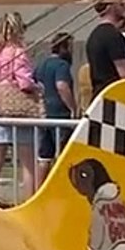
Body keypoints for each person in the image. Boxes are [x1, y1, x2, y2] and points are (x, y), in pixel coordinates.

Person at [0, 12, 40, 204]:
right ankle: (30, 203)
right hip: (19, 111)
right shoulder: (18, 52)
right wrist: (37, 87)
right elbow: (24, 82)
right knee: (28, 164)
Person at [33, 32, 77, 188]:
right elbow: (62, 86)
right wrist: (73, 107)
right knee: (64, 155)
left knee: (44, 157)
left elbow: (34, 84)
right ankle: (61, 187)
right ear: (64, 47)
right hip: (60, 114)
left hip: (45, 114)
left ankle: (39, 189)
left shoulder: (41, 65)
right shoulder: (62, 66)